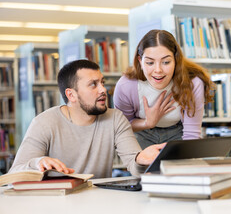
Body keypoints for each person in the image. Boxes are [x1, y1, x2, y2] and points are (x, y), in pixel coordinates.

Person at [9, 59, 164, 178]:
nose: (103, 89)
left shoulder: (116, 119)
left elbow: (134, 167)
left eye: (102, 82)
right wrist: (37, 163)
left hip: (97, 204)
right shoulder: (44, 123)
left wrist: (140, 160)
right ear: (71, 95)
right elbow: (14, 174)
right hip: (54, 206)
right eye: (93, 85)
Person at [113, 29, 215, 149]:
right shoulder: (126, 86)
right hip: (140, 134)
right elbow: (121, 127)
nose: (158, 70)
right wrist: (148, 122)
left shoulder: (192, 83)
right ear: (140, 61)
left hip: (178, 133)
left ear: (176, 60)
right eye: (150, 63)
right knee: (144, 168)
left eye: (166, 62)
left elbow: (191, 134)